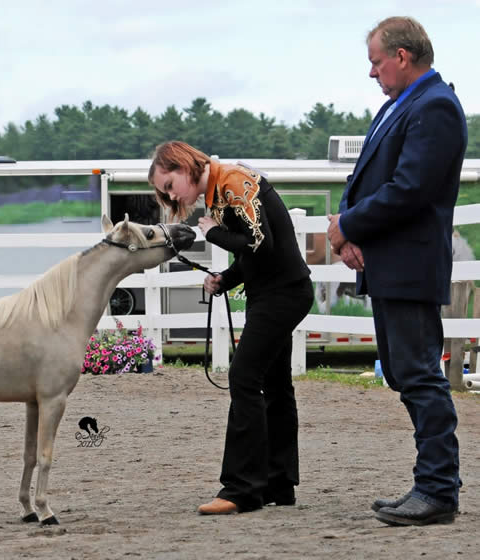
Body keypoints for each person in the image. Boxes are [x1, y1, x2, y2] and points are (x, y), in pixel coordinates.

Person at [327, 16, 467, 526]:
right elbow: (363, 176)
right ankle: (433, 483)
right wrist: (348, 226)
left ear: (403, 56)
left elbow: (410, 189)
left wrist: (347, 225)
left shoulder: (434, 108)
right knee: (408, 376)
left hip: (409, 263)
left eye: (376, 61)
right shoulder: (400, 106)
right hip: (392, 261)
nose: (372, 72)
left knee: (420, 376)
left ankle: (437, 489)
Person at [149, 141, 313, 515]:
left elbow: (259, 243)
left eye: (170, 185)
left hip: (280, 296)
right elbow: (254, 255)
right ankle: (278, 483)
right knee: (273, 385)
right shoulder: (223, 188)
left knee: (243, 378)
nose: (173, 195)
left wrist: (213, 234)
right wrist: (226, 278)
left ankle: (242, 489)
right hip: (277, 292)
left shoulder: (233, 182)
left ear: (184, 165)